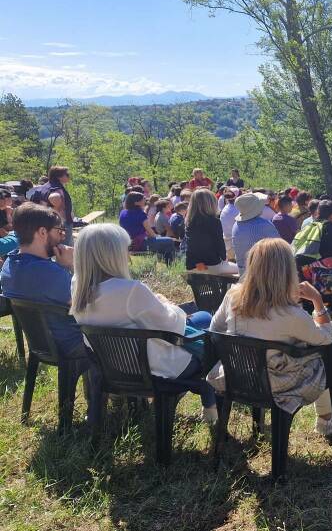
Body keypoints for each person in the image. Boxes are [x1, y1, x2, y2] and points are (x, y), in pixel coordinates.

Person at [207, 238, 332, 435]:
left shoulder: (233, 296)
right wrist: (318, 301)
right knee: (329, 353)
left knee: (323, 351)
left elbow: (214, 329)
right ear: (286, 270)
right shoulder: (289, 313)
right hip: (277, 383)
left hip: (237, 376)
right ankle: (329, 416)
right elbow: (327, 339)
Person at [70, 224, 219, 423]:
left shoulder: (77, 285)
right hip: (153, 369)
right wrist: (166, 303)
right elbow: (174, 326)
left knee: (202, 320)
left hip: (113, 367)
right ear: (112, 254)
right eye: (125, 249)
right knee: (209, 333)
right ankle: (210, 402)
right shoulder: (130, 290)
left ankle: (207, 400)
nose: (128, 256)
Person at [0, 203, 84, 359]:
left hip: (40, 346)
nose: (63, 236)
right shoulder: (51, 273)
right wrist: (73, 265)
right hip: (71, 344)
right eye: (60, 231)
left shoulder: (8, 266)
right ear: (43, 232)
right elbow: (86, 306)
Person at [183, 189, 238, 275]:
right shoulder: (214, 221)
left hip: (192, 266)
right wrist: (224, 257)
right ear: (211, 203)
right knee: (243, 271)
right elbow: (220, 245)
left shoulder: (189, 221)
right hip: (211, 265)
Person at [231, 193, 281, 277]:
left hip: (243, 273)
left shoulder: (236, 225)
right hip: (261, 274)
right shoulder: (264, 224)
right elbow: (279, 247)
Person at [119, 192, 176, 263]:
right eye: (143, 199)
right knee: (169, 241)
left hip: (127, 244)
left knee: (165, 241)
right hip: (140, 244)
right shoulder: (140, 214)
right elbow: (151, 233)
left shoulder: (123, 212)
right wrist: (160, 237)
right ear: (136, 202)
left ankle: (164, 263)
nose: (145, 200)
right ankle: (171, 266)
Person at [32, 166, 74, 246]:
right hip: (60, 224)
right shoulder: (56, 188)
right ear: (59, 176)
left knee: (51, 248)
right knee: (64, 248)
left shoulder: (45, 187)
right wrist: (57, 212)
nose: (69, 176)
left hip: (47, 222)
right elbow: (54, 197)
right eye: (67, 174)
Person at [219, 190, 239, 261]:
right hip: (235, 239)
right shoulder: (237, 210)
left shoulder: (224, 210)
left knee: (231, 259)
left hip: (226, 237)